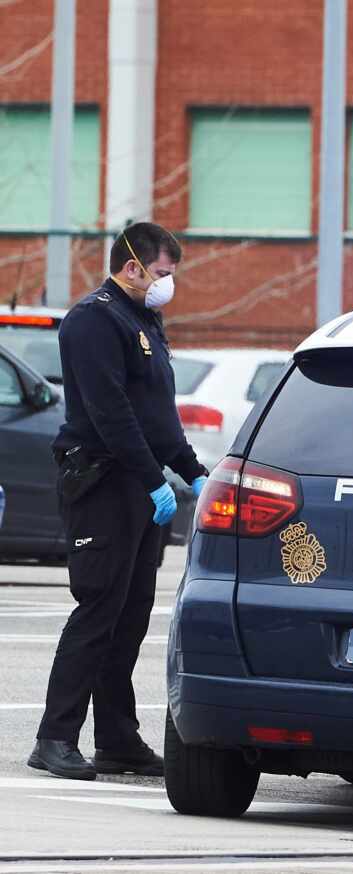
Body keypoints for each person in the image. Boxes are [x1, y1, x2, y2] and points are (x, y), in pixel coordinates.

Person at [28, 222, 207, 780]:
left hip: (140, 486)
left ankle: (117, 737)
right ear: (131, 266)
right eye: (161, 274)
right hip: (104, 484)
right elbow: (110, 412)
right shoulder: (93, 321)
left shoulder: (143, 318)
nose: (166, 285)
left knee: (129, 619)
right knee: (98, 611)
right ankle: (54, 737)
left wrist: (192, 472)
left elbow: (158, 413)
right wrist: (154, 478)